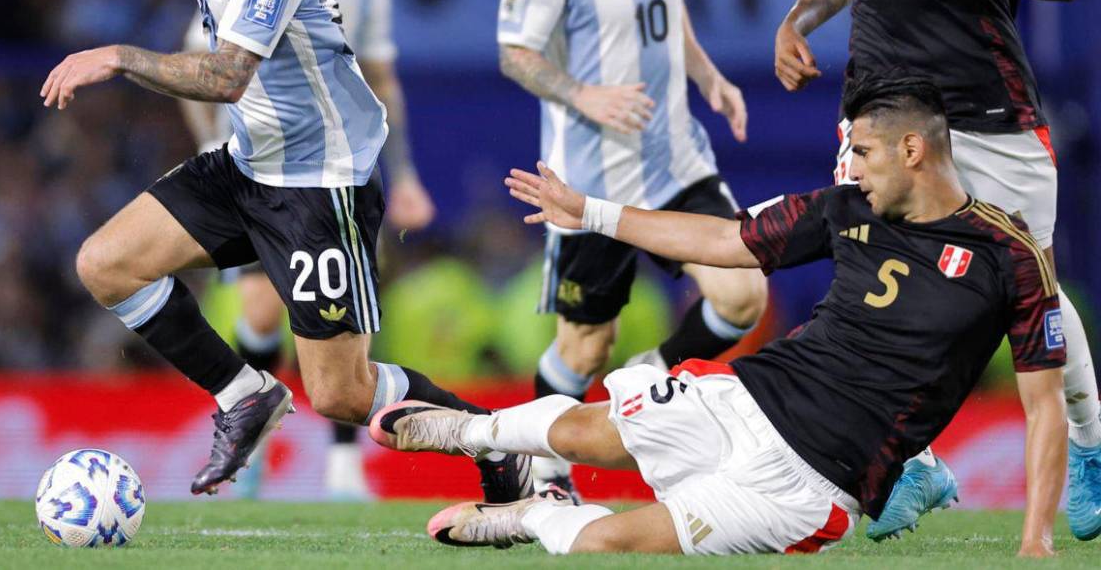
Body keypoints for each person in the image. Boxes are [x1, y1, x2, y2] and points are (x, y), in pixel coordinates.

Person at [39, 0, 527, 502]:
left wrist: (119, 56)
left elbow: (230, 75)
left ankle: (502, 445)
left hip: (317, 183)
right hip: (250, 164)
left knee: (341, 393)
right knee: (107, 263)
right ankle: (244, 394)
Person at [372, 74, 1066, 557]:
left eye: (860, 152)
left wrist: (1036, 537)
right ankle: (469, 429)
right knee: (589, 432)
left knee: (607, 544)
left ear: (912, 151)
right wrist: (592, 214)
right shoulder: (843, 207)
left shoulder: (1009, 257)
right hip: (752, 397)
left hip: (815, 484)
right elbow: (718, 240)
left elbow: (1043, 409)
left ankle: (529, 515)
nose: (848, 166)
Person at [772, 0, 1100, 540]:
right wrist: (795, 22)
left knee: (1036, 297)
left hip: (988, 115)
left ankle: (1092, 449)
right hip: (880, 115)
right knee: (867, 293)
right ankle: (911, 470)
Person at [496, 0, 767, 497]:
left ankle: (650, 374)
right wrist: (583, 94)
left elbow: (665, 11)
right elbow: (515, 53)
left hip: (676, 162)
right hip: (591, 185)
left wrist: (708, 74)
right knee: (585, 347)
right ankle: (542, 467)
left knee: (743, 295)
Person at [178, 0, 438, 500]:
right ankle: (255, 440)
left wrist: (403, 174)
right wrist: (212, 140)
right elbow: (196, 67)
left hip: (336, 171)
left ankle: (344, 466)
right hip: (256, 170)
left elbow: (382, 84)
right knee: (262, 312)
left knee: (341, 326)